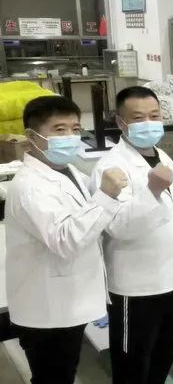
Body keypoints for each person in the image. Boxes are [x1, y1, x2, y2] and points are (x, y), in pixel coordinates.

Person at [5, 96, 127, 383]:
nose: (70, 137)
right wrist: (106, 196)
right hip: (46, 308)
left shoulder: (65, 170)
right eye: (59, 130)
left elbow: (85, 217)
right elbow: (65, 240)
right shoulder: (30, 186)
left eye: (75, 129)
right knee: (53, 376)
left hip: (66, 299)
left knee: (65, 369)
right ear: (31, 136)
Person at [90, 86, 173, 384]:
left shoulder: (161, 155)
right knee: (133, 361)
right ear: (120, 122)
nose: (149, 123)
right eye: (138, 118)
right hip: (137, 287)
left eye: (154, 115)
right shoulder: (109, 167)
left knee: (166, 347)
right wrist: (153, 191)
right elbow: (117, 227)